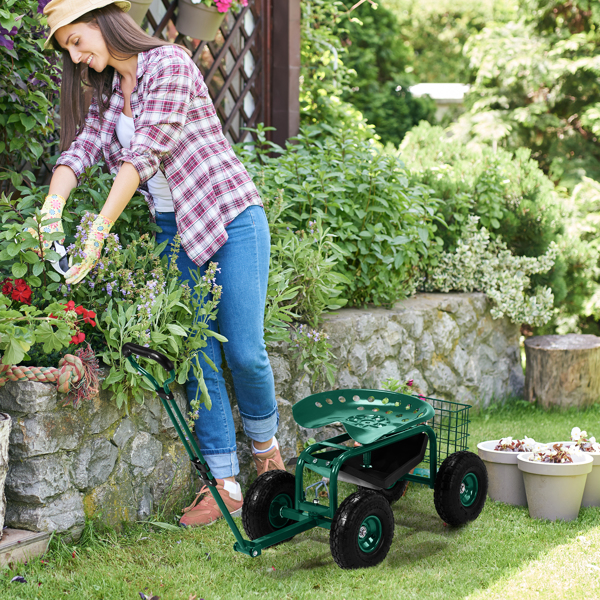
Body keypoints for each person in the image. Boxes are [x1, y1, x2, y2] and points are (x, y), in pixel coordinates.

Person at [39, 0, 284, 526]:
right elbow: (81, 150)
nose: (78, 57)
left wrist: (99, 230)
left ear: (103, 21)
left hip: (230, 216)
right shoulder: (110, 96)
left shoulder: (169, 63)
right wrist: (51, 213)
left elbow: (146, 152)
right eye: (68, 50)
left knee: (243, 349)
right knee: (198, 352)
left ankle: (268, 459)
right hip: (175, 231)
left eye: (78, 40)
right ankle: (224, 485)